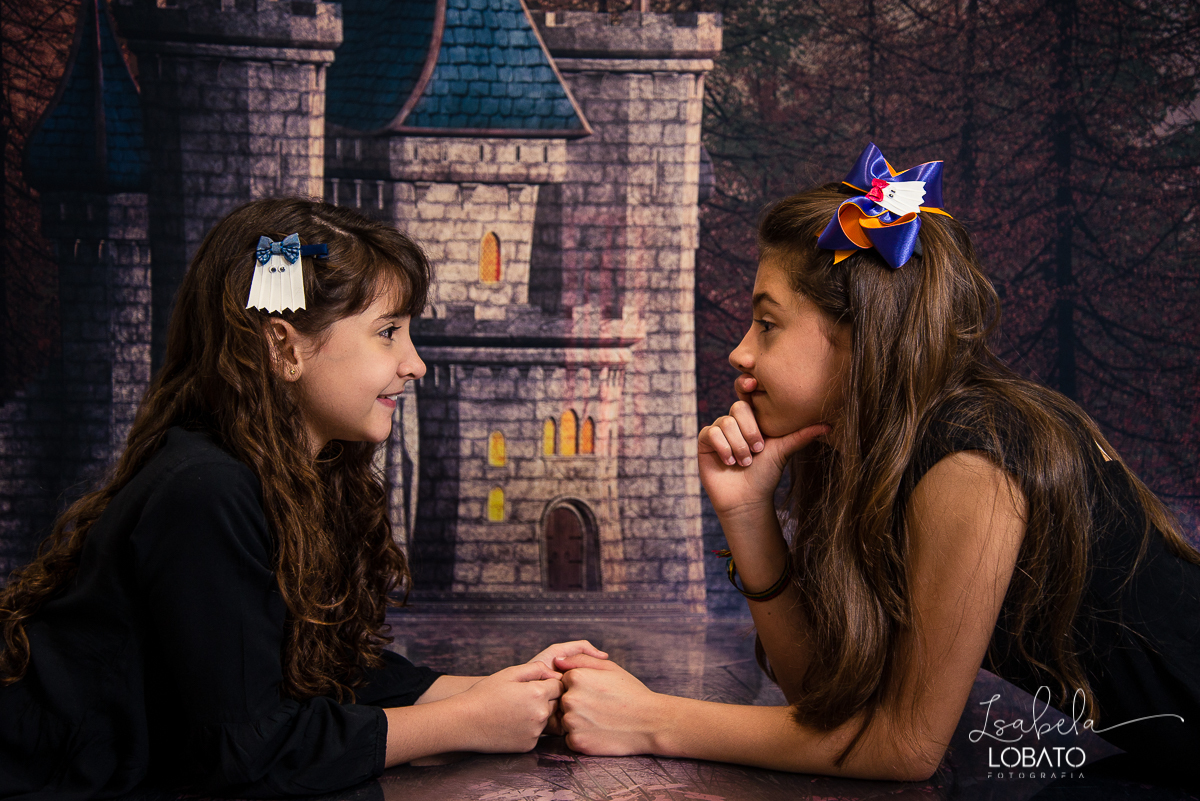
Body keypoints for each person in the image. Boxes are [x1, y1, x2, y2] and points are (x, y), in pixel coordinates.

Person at [553, 144, 1200, 787]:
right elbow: (824, 698)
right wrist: (747, 513)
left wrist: (650, 719)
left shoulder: (973, 456)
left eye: (767, 324)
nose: (740, 353)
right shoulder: (886, 451)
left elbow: (904, 746)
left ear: (859, 334)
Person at [0, 198, 605, 798]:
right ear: (284, 349)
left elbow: (319, 673)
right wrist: (464, 722)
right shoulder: (207, 491)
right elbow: (244, 749)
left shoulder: (301, 479)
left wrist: (512, 692)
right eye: (388, 333)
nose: (416, 364)